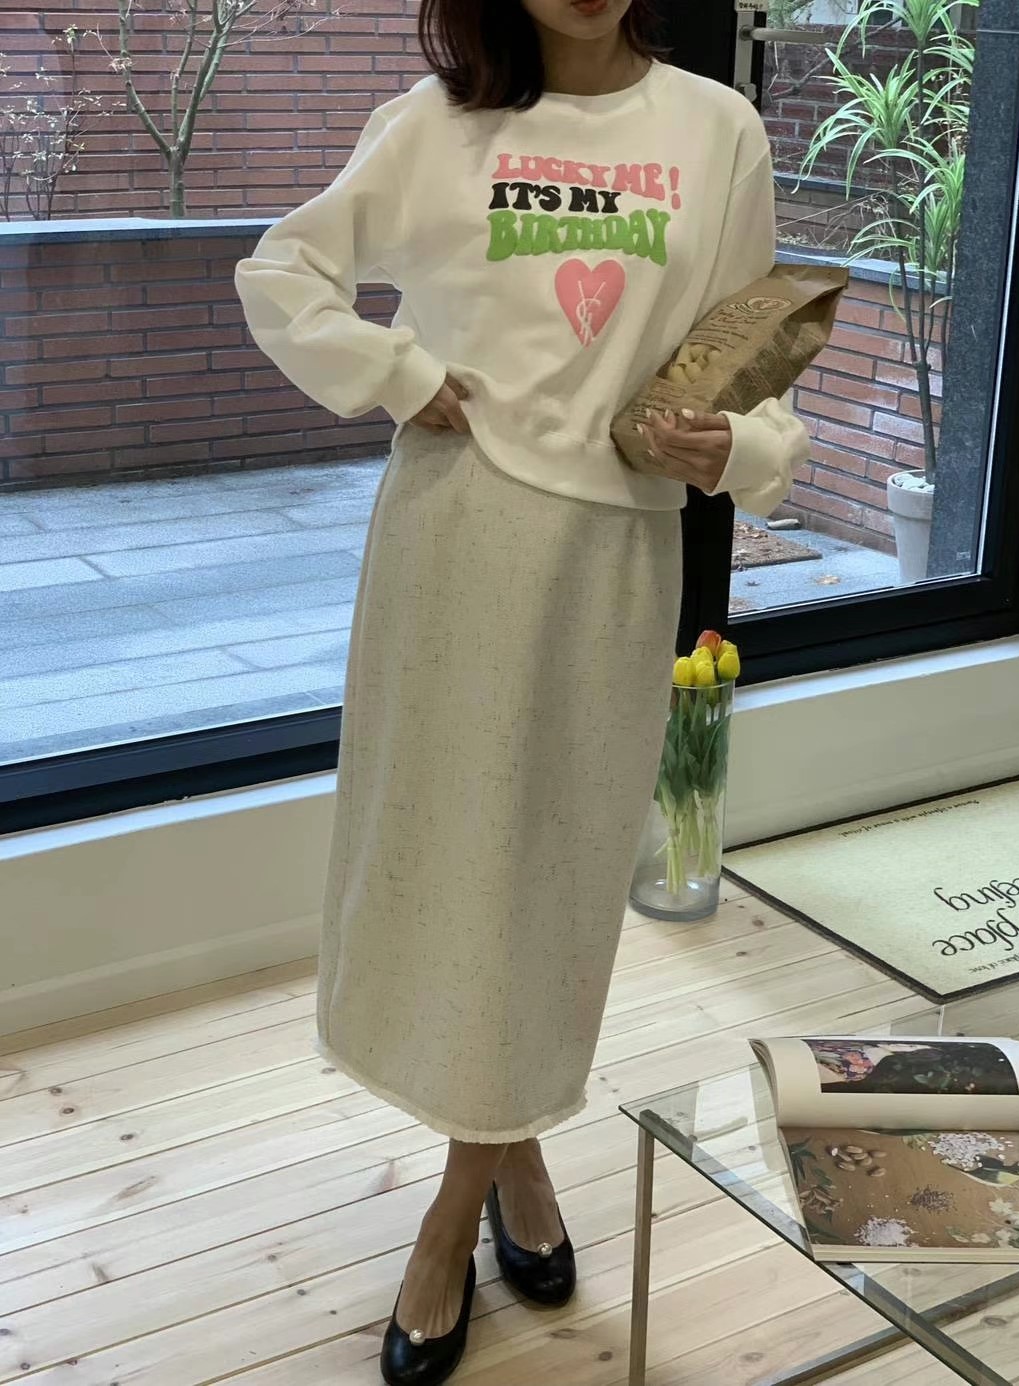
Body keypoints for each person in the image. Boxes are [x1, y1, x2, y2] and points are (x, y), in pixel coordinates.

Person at [236, 1, 808, 1380]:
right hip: (456, 538)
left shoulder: (716, 128)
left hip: (615, 554)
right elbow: (284, 269)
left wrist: (730, 446)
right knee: (453, 866)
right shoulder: (435, 127)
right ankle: (499, 1173)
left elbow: (760, 361)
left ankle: (468, 1190)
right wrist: (398, 370)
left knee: (552, 879)